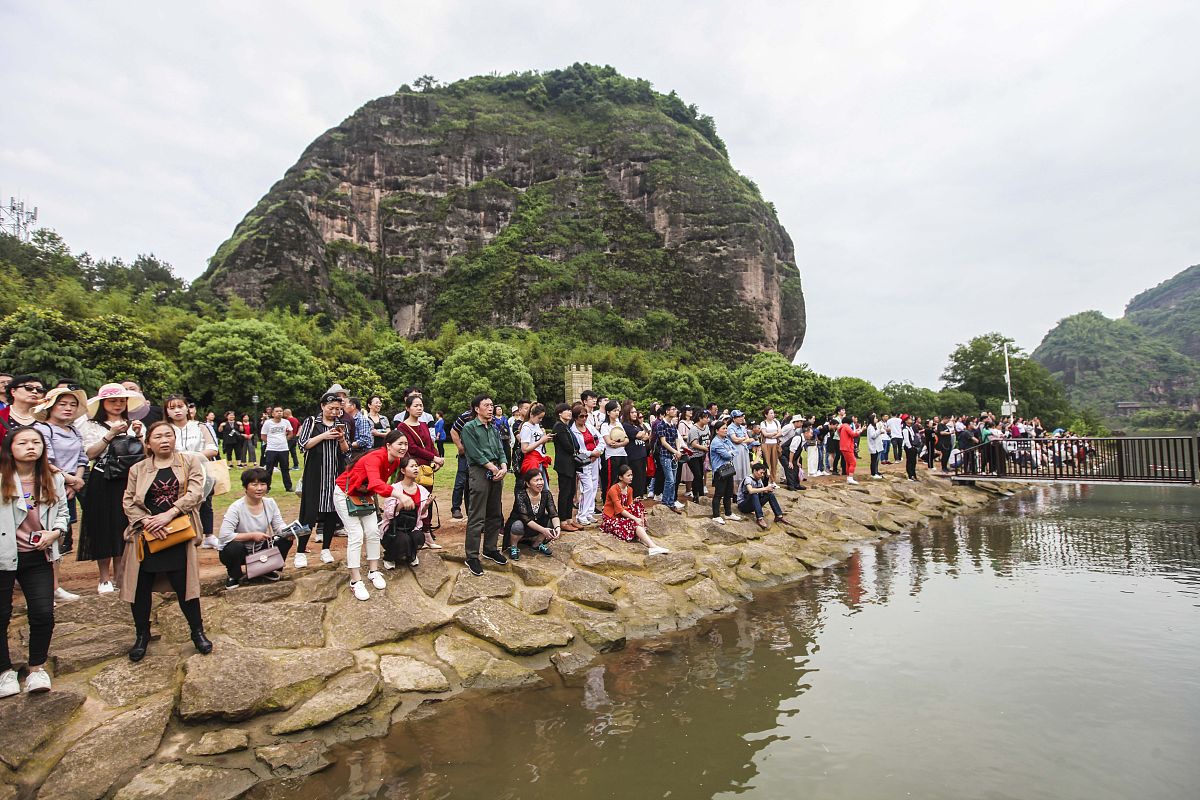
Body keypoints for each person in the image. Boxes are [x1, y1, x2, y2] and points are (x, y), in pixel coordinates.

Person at [121, 420, 211, 662]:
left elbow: (196, 492)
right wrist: (147, 522)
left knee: (185, 587)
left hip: (178, 531)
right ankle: (142, 635)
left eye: (168, 435)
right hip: (146, 534)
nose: (164, 440)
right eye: (158, 436)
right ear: (148, 443)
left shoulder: (189, 462)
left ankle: (197, 632)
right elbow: (128, 501)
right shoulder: (138, 469)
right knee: (140, 588)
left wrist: (169, 515)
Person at [0, 427, 67, 695]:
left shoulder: (52, 478)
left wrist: (55, 532)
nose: (31, 447)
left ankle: (36, 669)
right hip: (4, 556)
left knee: (42, 612)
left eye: (36, 442)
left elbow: (62, 512)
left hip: (38, 555)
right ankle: (4, 672)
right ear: (10, 448)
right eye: (23, 442)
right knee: (1, 614)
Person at [79, 383, 146, 593]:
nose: (118, 405)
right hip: (102, 479)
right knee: (102, 526)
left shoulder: (135, 424)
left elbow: (145, 454)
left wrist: (139, 435)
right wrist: (110, 434)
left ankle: (120, 574)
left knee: (123, 525)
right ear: (103, 403)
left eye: (122, 401)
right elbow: (90, 454)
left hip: (129, 480)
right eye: (112, 401)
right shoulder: (91, 425)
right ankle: (104, 577)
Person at [334, 429, 408, 600]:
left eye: (405, 444)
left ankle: (373, 571)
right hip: (345, 493)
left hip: (364, 495)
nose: (403, 447)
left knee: (373, 531)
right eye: (400, 444)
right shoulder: (375, 458)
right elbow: (376, 483)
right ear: (388, 445)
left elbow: (380, 486)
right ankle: (355, 581)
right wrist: (400, 495)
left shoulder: (395, 461)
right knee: (356, 534)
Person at [32, 387, 88, 602]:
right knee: (45, 534)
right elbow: (45, 460)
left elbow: (82, 458)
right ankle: (45, 587)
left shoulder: (74, 431)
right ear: (50, 406)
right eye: (62, 404)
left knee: (61, 535)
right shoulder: (42, 429)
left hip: (68, 487)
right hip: (47, 486)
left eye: (73, 405)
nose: (68, 408)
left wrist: (76, 482)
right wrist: (70, 480)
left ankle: (54, 585)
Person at [296, 393, 349, 568]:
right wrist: (324, 436)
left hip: (334, 475)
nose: (334, 412)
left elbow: (346, 451)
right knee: (308, 514)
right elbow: (303, 444)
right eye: (331, 408)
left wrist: (341, 439)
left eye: (338, 409)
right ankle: (300, 551)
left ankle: (326, 549)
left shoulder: (341, 425)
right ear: (322, 406)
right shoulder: (312, 422)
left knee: (331, 513)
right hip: (315, 476)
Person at [217, 467, 293, 588]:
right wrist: (252, 536)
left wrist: (289, 532)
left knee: (285, 540)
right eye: (254, 484)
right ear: (245, 487)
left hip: (260, 548)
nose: (259, 488)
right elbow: (224, 535)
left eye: (263, 484)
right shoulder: (236, 508)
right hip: (240, 551)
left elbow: (278, 525)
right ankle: (234, 575)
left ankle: (267, 569)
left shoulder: (270, 503)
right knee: (234, 547)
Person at [164, 394, 221, 549]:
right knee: (177, 502)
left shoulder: (200, 426)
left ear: (187, 408)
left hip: (201, 470)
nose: (177, 411)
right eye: (172, 408)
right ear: (166, 411)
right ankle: (180, 534)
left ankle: (208, 535)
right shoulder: (165, 429)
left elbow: (213, 448)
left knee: (205, 502)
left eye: (180, 406)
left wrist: (191, 457)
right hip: (173, 471)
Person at [461, 394, 509, 577]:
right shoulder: (469, 428)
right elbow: (474, 452)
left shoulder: (494, 428)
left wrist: (503, 466)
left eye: (492, 405)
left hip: (496, 470)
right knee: (477, 515)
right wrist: (492, 467)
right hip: (480, 471)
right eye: (486, 405)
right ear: (476, 408)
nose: (490, 408)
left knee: (495, 512)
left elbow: (500, 449)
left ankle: (490, 548)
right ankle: (472, 556)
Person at [601, 465, 669, 555]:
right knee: (633, 523)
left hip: (621, 514)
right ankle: (652, 546)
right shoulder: (614, 489)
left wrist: (637, 516)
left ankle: (641, 530)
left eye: (631, 475)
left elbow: (630, 506)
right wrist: (635, 518)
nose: (631, 477)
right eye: (628, 475)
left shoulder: (629, 489)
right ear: (620, 477)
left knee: (638, 505)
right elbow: (619, 509)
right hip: (611, 517)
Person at [379, 456, 433, 569]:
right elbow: (388, 514)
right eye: (412, 466)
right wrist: (401, 503)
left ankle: (411, 555)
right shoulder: (394, 489)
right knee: (403, 540)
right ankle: (389, 557)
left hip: (411, 526)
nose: (416, 468)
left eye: (416, 466)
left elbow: (422, 515)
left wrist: (427, 505)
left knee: (419, 537)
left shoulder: (422, 490)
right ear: (403, 471)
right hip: (394, 528)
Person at [504, 469, 560, 560]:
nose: (540, 483)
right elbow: (526, 519)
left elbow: (553, 513)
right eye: (536, 480)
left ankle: (537, 544)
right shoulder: (521, 495)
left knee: (551, 520)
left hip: (536, 523)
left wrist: (557, 528)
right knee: (517, 525)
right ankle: (513, 546)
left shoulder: (546, 494)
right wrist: (544, 530)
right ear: (528, 484)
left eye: (541, 479)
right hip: (523, 524)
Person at [551, 403, 581, 533]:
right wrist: (575, 450)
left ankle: (569, 519)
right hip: (564, 464)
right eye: (566, 410)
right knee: (565, 492)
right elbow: (568, 446)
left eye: (570, 410)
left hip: (571, 463)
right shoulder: (559, 426)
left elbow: (574, 445)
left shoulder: (566, 426)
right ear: (559, 413)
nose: (569, 412)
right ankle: (562, 520)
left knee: (571, 492)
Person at [572, 404, 604, 526]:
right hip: (583, 461)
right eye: (581, 416)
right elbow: (577, 448)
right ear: (576, 417)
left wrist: (597, 451)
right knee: (587, 487)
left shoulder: (590, 427)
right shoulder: (573, 431)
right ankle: (582, 514)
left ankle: (589, 512)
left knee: (594, 486)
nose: (584, 418)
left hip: (595, 459)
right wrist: (591, 453)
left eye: (586, 416)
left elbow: (600, 440)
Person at [737, 462, 788, 530]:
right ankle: (760, 518)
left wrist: (768, 490)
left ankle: (779, 516)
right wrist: (765, 488)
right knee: (754, 494)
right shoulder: (748, 479)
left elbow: (762, 491)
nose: (762, 475)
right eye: (761, 473)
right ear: (755, 471)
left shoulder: (759, 480)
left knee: (770, 494)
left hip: (753, 504)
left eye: (763, 473)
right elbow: (751, 490)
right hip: (743, 505)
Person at [653, 404, 685, 512]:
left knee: (673, 480)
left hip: (673, 455)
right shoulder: (661, 425)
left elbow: (677, 439)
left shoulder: (673, 425)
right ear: (667, 411)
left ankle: (671, 502)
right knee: (670, 480)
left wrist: (678, 451)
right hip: (665, 455)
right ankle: (665, 502)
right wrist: (676, 451)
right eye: (673, 409)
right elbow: (663, 442)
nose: (675, 411)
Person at [708, 419, 741, 524]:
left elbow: (736, 451)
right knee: (719, 493)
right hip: (719, 471)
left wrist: (729, 452)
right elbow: (726, 456)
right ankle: (716, 515)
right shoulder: (716, 442)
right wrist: (730, 452)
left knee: (728, 492)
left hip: (728, 468)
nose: (726, 430)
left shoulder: (726, 440)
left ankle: (728, 513)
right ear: (717, 430)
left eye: (726, 428)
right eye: (723, 428)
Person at [0, 374, 48, 442]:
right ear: (13, 391)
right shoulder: (2, 415)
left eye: (39, 389)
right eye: (28, 387)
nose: (35, 391)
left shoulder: (47, 417)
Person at [448, 406, 475, 520]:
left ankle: (471, 511)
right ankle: (456, 508)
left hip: (480, 455)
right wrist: (460, 447)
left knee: (472, 483)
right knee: (461, 481)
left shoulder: (490, 418)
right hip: (465, 455)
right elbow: (453, 431)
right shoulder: (465, 416)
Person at [259, 406, 293, 492]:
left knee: (285, 468)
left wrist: (284, 440)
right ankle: (267, 487)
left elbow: (291, 433)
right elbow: (263, 436)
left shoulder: (286, 422)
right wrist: (270, 442)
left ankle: (288, 487)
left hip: (283, 449)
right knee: (269, 470)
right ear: (273, 414)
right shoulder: (268, 423)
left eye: (281, 411)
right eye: (277, 411)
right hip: (271, 449)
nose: (279, 413)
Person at [599, 400, 628, 498]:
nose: (617, 413)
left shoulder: (619, 424)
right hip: (611, 456)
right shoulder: (605, 426)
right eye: (614, 410)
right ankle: (607, 501)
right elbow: (609, 442)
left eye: (617, 410)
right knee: (611, 480)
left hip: (622, 454)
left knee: (623, 478)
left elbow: (627, 440)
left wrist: (619, 444)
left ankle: (620, 499)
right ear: (608, 412)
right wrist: (621, 443)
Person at [621, 402, 651, 500]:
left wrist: (642, 434)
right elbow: (639, 435)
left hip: (642, 454)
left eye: (635, 412)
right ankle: (634, 497)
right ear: (627, 414)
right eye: (632, 412)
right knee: (635, 477)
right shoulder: (626, 425)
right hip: (633, 455)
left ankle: (639, 496)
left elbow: (646, 436)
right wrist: (643, 433)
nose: (635, 414)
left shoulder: (636, 425)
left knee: (642, 476)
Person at [517, 403, 552, 481]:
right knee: (536, 485)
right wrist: (541, 441)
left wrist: (545, 438)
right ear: (531, 415)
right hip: (532, 461)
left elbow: (536, 441)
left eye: (542, 418)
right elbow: (524, 449)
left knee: (542, 485)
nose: (541, 420)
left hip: (539, 459)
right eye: (539, 418)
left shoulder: (536, 425)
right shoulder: (526, 427)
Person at [685, 410, 711, 502]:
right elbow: (694, 444)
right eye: (706, 418)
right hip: (693, 455)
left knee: (701, 475)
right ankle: (695, 495)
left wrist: (708, 445)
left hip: (702, 455)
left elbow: (707, 438)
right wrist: (705, 448)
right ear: (700, 418)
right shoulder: (694, 429)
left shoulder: (706, 427)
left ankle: (701, 494)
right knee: (697, 475)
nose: (708, 419)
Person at [727, 410, 754, 489]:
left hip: (744, 450)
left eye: (742, 416)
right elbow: (735, 439)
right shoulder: (730, 427)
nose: (741, 418)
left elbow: (749, 439)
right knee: (737, 471)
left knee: (745, 471)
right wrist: (743, 439)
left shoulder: (742, 427)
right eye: (738, 417)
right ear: (733, 418)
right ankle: (735, 492)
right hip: (736, 451)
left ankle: (743, 489)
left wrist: (741, 440)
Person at [759, 408, 782, 484]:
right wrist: (774, 433)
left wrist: (773, 436)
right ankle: (767, 481)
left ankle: (773, 480)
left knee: (774, 463)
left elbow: (780, 432)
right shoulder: (763, 423)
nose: (773, 415)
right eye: (771, 413)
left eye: (773, 413)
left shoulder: (776, 422)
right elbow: (765, 434)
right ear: (766, 415)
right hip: (766, 444)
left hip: (775, 444)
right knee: (767, 463)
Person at [838, 415, 860, 485]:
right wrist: (859, 431)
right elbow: (853, 434)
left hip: (843, 447)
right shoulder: (847, 427)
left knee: (848, 463)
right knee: (853, 462)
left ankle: (849, 477)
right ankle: (850, 478)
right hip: (848, 447)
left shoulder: (842, 427)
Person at [866, 413, 885, 479]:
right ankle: (873, 474)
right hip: (874, 446)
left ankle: (876, 472)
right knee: (874, 461)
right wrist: (879, 431)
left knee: (876, 460)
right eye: (875, 418)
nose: (876, 419)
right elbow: (873, 435)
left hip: (877, 446)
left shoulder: (874, 426)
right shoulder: (870, 427)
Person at [903, 416, 922, 481]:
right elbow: (906, 440)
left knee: (913, 461)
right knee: (910, 461)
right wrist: (910, 447)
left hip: (913, 446)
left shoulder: (910, 428)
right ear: (906, 421)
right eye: (909, 419)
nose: (911, 420)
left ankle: (913, 474)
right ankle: (910, 475)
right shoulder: (905, 429)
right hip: (909, 447)